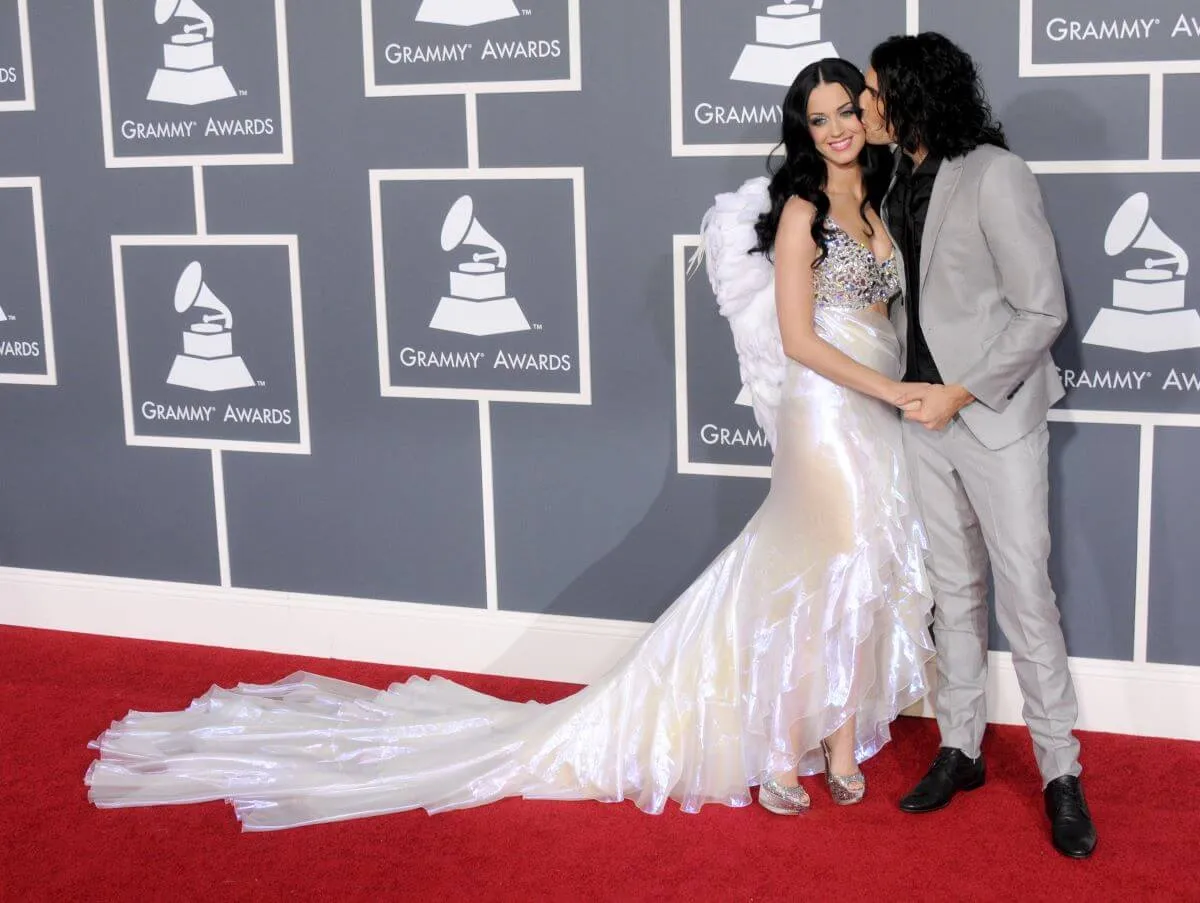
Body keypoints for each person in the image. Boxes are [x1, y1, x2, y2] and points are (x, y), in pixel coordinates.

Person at [85, 59, 933, 830]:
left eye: (847, 112)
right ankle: (783, 750)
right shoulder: (800, 210)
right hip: (828, 412)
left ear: (868, 114)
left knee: (862, 572)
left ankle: (835, 738)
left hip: (879, 414)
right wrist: (893, 388)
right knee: (806, 574)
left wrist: (901, 387)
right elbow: (794, 336)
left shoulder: (885, 193)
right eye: (819, 118)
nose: (837, 129)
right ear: (803, 130)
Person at [857, 32, 1097, 859]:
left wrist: (960, 390)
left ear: (914, 93)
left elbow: (1042, 311)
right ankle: (959, 749)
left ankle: (1061, 771)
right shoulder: (890, 180)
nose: (863, 107)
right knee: (951, 594)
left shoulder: (997, 174)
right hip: (919, 416)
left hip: (990, 414)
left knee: (1026, 596)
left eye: (873, 92)